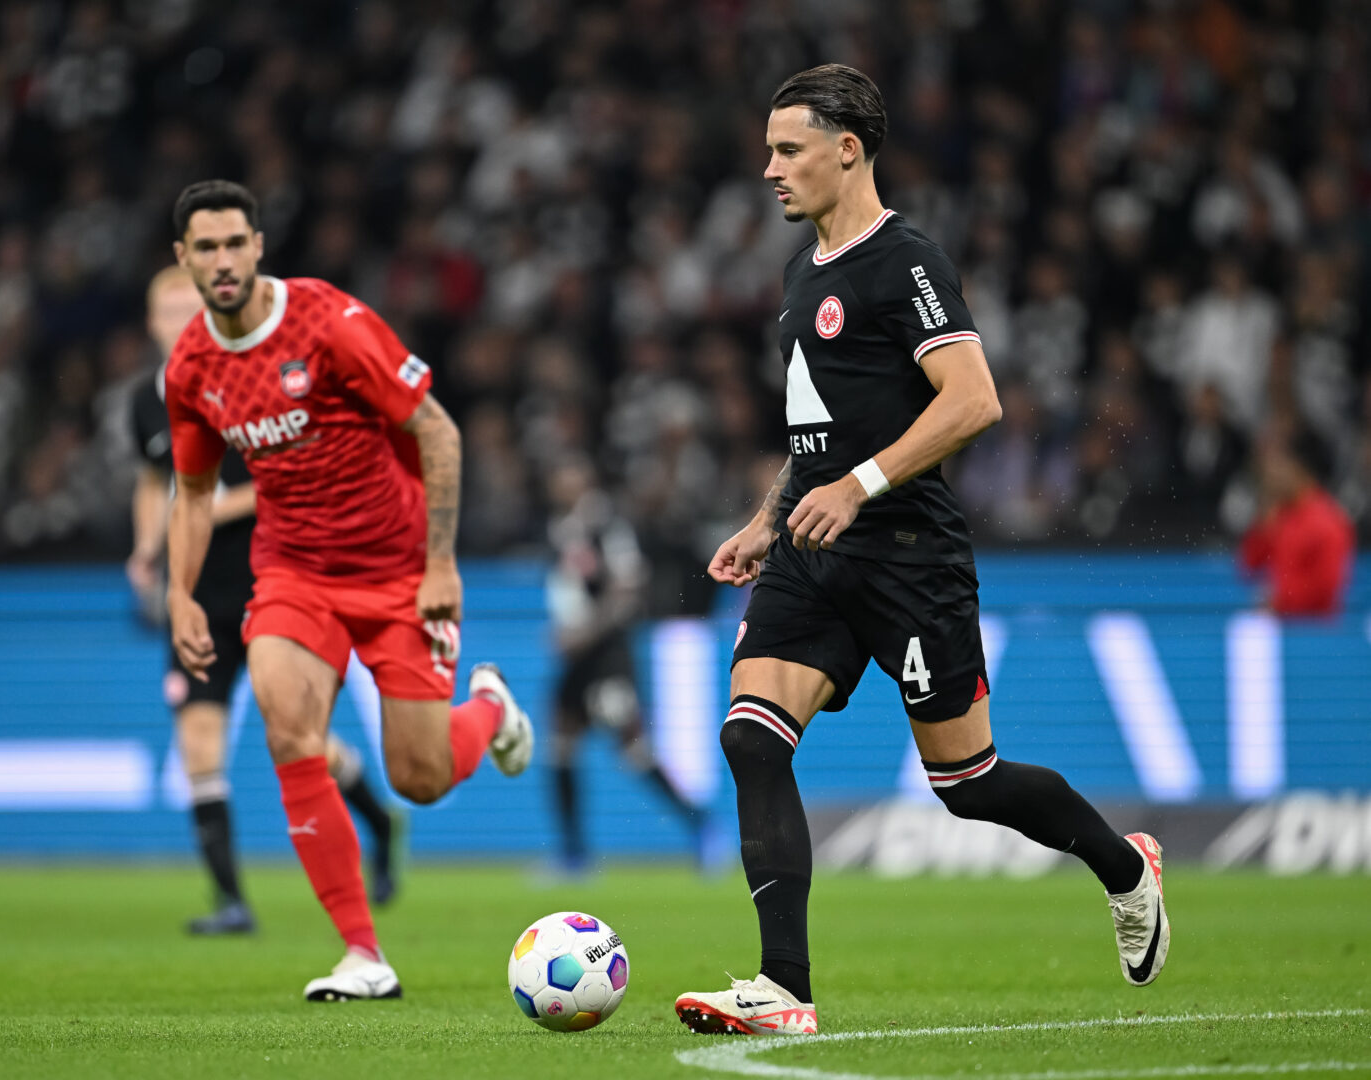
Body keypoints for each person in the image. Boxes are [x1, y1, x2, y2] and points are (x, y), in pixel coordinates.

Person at [675, 65, 1167, 1038]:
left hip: (907, 554)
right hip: (815, 554)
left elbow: (974, 400)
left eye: (788, 150)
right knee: (749, 737)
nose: (768, 169)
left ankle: (1125, 866)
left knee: (969, 787)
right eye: (768, 150)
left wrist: (857, 488)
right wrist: (770, 515)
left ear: (846, 150)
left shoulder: (907, 262)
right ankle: (784, 990)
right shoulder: (799, 272)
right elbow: (820, 430)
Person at [161, 180, 533, 1001]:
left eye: (234, 244)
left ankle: (491, 713)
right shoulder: (190, 367)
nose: (222, 261)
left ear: (258, 246)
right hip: (294, 573)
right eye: (205, 248)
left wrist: (441, 563)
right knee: (289, 733)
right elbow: (192, 492)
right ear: (182, 258)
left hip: (398, 567)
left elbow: (436, 428)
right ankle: (363, 954)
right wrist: (181, 593)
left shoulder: (328, 323)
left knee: (420, 778)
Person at [127, 268, 401, 935]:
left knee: (303, 738)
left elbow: (287, 473)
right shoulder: (144, 398)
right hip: (195, 597)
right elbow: (152, 478)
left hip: (270, 582)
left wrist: (214, 507)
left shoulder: (246, 377)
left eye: (186, 304)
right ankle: (232, 901)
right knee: (198, 741)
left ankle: (381, 823)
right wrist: (145, 549)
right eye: (165, 308)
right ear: (151, 322)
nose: (177, 317)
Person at [544, 456, 706, 871]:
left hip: (606, 657)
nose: (561, 482)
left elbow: (630, 588)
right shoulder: (561, 529)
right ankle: (573, 854)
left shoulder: (606, 524)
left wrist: (585, 632)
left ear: (584, 479)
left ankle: (702, 825)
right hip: (577, 662)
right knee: (560, 744)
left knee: (632, 750)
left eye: (570, 473)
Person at [1238, 426, 1355, 615]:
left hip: (1315, 634)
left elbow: (1327, 587)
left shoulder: (1328, 520)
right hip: (1282, 624)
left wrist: (1281, 600)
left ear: (1296, 467)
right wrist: (1264, 524)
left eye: (1275, 465)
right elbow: (1249, 566)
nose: (1268, 475)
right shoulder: (1281, 513)